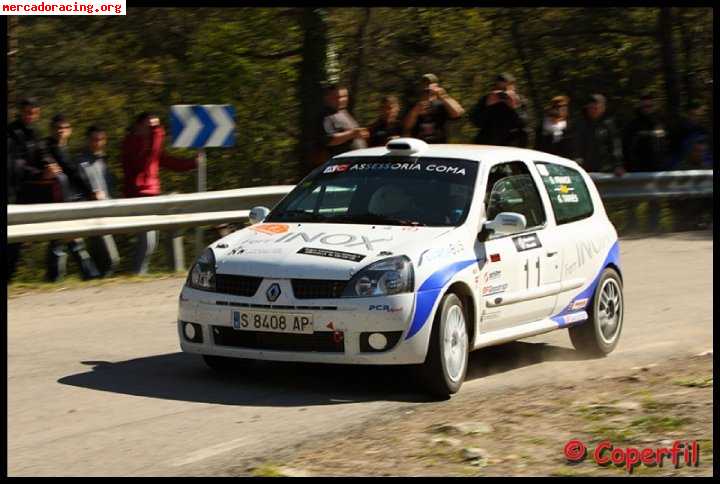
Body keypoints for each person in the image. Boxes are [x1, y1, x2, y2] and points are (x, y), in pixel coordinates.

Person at [121, 112, 199, 275]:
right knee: (147, 241)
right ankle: (137, 273)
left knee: (151, 241)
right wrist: (156, 137)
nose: (154, 130)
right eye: (150, 127)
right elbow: (142, 164)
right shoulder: (131, 143)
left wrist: (192, 163)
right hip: (138, 196)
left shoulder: (151, 146)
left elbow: (168, 161)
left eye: (156, 127)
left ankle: (140, 273)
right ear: (138, 125)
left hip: (151, 196)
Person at [43, 114, 100, 282]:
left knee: (65, 240)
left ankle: (62, 277)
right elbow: (72, 173)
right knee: (62, 241)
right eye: (58, 128)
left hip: (66, 200)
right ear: (52, 130)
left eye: (64, 128)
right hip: (57, 201)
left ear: (70, 130)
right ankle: (85, 274)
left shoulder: (63, 149)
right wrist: (90, 192)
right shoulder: (50, 148)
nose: (61, 131)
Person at [76, 126, 120, 277]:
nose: (98, 143)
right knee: (111, 259)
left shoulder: (104, 161)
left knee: (100, 258)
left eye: (101, 139)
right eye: (95, 139)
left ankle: (96, 283)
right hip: (92, 215)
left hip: (107, 214)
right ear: (88, 140)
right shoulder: (81, 162)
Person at [7, 97, 42, 282]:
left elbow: (41, 155)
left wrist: (47, 168)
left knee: (16, 242)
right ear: (20, 112)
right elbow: (15, 163)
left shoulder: (34, 133)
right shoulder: (12, 132)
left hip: (25, 193)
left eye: (33, 112)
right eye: (26, 112)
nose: (29, 116)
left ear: (37, 114)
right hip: (12, 192)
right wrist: (38, 173)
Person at [469, 73, 529, 147]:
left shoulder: (520, 101)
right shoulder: (486, 99)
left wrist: (514, 107)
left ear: (513, 87)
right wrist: (488, 106)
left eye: (505, 89)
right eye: (499, 89)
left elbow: (524, 124)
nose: (502, 94)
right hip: (488, 144)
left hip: (512, 145)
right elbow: (476, 122)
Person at [403, 73, 464, 144]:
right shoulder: (413, 104)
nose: (427, 87)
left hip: (439, 146)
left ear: (437, 86)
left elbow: (457, 114)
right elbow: (406, 127)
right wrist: (415, 111)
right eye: (424, 83)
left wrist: (443, 96)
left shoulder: (443, 103)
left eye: (429, 83)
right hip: (418, 146)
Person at [574, 94, 623, 174]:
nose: (592, 111)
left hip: (607, 169)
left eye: (595, 108)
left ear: (603, 108)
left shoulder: (609, 125)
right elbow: (578, 146)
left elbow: (616, 146)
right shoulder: (582, 125)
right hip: (587, 170)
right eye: (590, 108)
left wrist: (618, 165)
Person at [622, 94, 669, 172]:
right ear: (640, 107)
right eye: (645, 106)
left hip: (660, 169)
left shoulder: (662, 122)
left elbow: (666, 143)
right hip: (638, 169)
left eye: (650, 106)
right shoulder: (633, 125)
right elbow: (627, 147)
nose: (647, 109)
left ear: (654, 106)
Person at [319, 84, 369, 158]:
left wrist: (361, 135)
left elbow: (353, 134)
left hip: (358, 160)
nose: (343, 100)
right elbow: (329, 139)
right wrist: (352, 134)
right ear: (328, 98)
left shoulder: (344, 113)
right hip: (343, 162)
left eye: (345, 97)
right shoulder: (326, 116)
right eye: (338, 97)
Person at [668, 100, 713, 170]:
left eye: (699, 115)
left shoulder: (703, 131)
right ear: (687, 114)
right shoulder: (679, 131)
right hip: (683, 169)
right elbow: (673, 154)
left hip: (702, 169)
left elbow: (708, 153)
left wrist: (708, 166)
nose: (696, 118)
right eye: (693, 115)